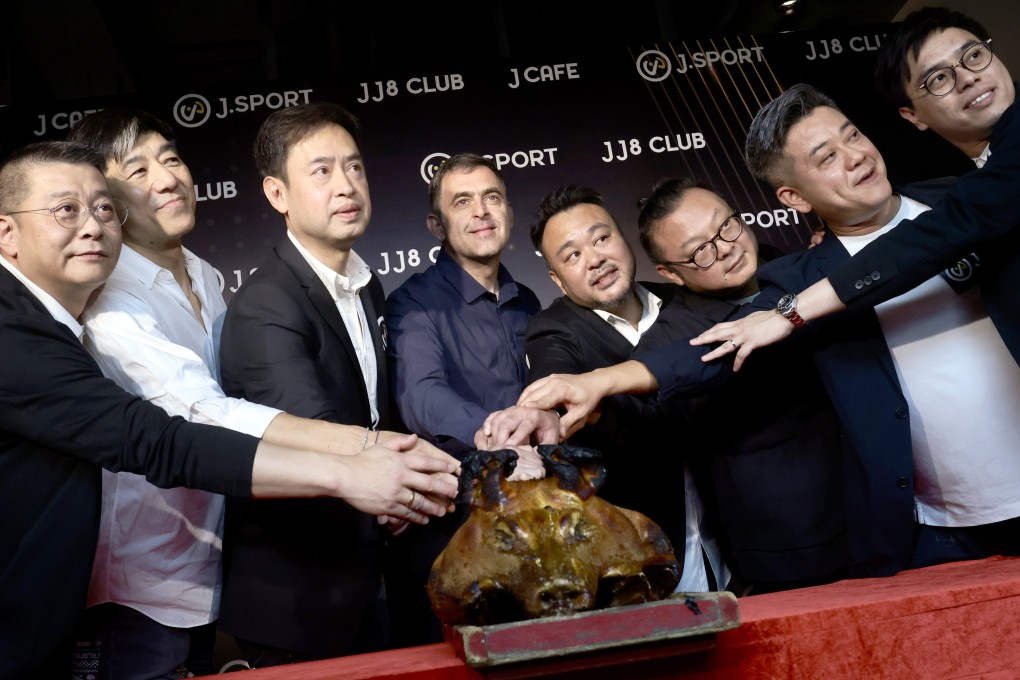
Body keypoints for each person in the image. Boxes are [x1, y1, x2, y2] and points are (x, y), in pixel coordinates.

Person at [0, 140, 458, 679]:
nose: (92, 226)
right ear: (7, 233)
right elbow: (160, 437)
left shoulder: (197, 283)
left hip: (182, 582)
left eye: (102, 208)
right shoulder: (14, 332)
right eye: (65, 210)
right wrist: (348, 468)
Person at [216, 102, 429, 665]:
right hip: (300, 599)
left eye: (354, 166)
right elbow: (311, 433)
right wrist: (412, 484)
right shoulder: (265, 303)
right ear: (277, 194)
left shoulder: (367, 286)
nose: (346, 185)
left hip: (371, 581)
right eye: (322, 171)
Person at [693, 7, 1020, 369]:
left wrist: (792, 312)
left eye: (973, 55)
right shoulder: (803, 273)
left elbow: (949, 225)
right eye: (940, 78)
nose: (968, 78)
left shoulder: (958, 196)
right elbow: (706, 352)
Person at [635, 178, 848, 590]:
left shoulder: (805, 266)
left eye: (726, 226)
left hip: (891, 500)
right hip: (790, 546)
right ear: (669, 273)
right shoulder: (669, 340)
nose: (726, 248)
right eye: (700, 251)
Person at [518, 184, 729, 592]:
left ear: (623, 237)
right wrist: (545, 411)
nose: (595, 259)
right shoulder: (554, 330)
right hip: (637, 567)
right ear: (557, 280)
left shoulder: (685, 300)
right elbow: (553, 378)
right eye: (572, 256)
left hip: (734, 545)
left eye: (601, 238)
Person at [384, 153, 546, 644]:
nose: (481, 211)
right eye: (462, 202)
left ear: (508, 212)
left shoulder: (528, 301)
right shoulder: (413, 301)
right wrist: (498, 439)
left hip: (534, 519)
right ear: (437, 225)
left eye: (492, 198)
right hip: (456, 527)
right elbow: (421, 395)